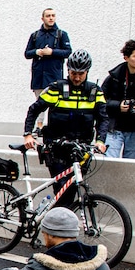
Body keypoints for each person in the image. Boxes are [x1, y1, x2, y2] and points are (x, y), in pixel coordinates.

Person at [23, 49, 108, 208]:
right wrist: (28, 134)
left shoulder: (95, 91)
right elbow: (34, 109)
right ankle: (56, 225)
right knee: (63, 189)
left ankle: (60, 223)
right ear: (67, 70)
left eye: (81, 74)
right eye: (73, 73)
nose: (76, 77)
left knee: (73, 189)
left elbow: (103, 119)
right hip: (57, 149)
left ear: (87, 72)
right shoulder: (57, 88)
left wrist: (100, 140)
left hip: (81, 149)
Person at [24, 8, 72, 101]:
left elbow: (68, 52)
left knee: (53, 110)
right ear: (42, 19)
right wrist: (36, 52)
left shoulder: (62, 34)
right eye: (48, 16)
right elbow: (27, 54)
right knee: (39, 109)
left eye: (53, 16)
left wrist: (52, 52)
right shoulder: (35, 35)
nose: (51, 18)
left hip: (54, 78)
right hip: (38, 79)